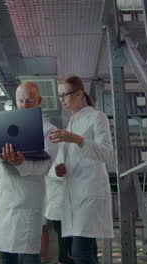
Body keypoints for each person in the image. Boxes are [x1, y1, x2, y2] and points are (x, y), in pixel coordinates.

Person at [0, 82, 59, 264]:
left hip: (27, 200)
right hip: (5, 199)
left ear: (39, 100)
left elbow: (45, 167)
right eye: (20, 101)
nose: (24, 105)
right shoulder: (5, 125)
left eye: (29, 100)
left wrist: (21, 163)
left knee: (28, 255)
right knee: (5, 256)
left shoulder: (50, 131)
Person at [49, 76, 114, 264]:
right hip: (74, 194)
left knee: (79, 253)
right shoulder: (71, 122)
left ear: (79, 93)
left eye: (65, 94)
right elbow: (76, 159)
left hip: (90, 192)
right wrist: (61, 168)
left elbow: (106, 153)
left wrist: (78, 139)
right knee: (86, 250)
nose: (62, 99)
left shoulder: (97, 117)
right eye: (60, 95)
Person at [45, 168, 73, 264]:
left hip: (64, 207)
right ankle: (64, 260)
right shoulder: (51, 164)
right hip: (59, 208)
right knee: (64, 241)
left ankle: (66, 259)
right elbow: (60, 176)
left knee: (67, 242)